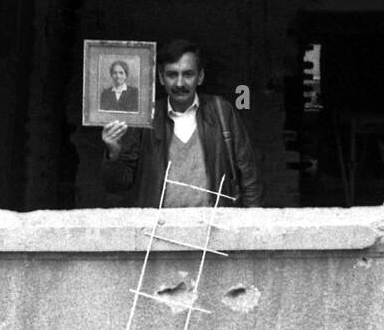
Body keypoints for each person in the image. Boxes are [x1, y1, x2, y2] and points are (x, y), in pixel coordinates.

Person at [100, 39, 263, 207]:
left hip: (214, 228)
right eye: (172, 75)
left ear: (200, 77)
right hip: (158, 229)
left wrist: (253, 224)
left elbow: (249, 177)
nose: (179, 83)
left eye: (188, 74)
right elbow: (117, 185)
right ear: (161, 78)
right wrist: (114, 153)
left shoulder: (222, 112)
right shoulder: (147, 118)